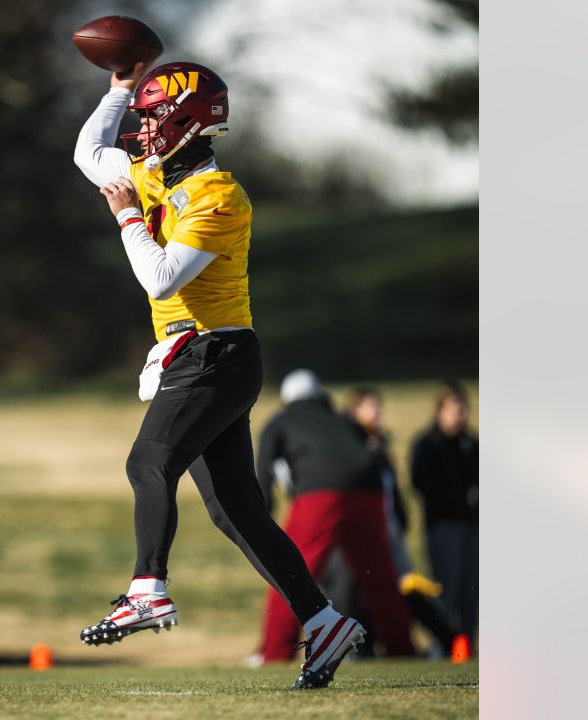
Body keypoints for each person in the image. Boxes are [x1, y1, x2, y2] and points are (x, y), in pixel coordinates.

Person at [71, 62, 364, 689]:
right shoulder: (154, 172)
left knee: (148, 462)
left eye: (151, 114)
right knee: (236, 510)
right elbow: (87, 151)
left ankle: (148, 587)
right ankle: (324, 621)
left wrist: (125, 217)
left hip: (215, 355)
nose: (141, 128)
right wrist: (119, 88)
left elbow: (161, 277)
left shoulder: (218, 196)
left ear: (185, 119)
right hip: (201, 357)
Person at [252, 370, 414, 664]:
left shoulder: (280, 422)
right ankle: (402, 649)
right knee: (380, 577)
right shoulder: (343, 421)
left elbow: (263, 472)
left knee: (290, 572)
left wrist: (260, 518)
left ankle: (274, 653)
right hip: (369, 492)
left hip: (319, 496)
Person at [343, 387, 467, 662]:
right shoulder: (352, 446)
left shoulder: (380, 447)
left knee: (406, 587)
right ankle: (370, 649)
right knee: (374, 592)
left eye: (379, 407)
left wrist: (400, 516)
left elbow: (391, 492)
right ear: (355, 411)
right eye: (371, 407)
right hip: (366, 537)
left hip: (390, 534)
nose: (377, 413)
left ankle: (448, 644)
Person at [410, 380, 479, 644]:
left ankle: (466, 646)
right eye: (454, 408)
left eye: (463, 408)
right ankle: (446, 644)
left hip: (471, 525)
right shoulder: (428, 445)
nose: (459, 414)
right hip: (443, 524)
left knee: (471, 590)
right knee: (447, 588)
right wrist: (455, 499)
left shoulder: (471, 445)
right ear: (440, 410)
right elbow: (422, 482)